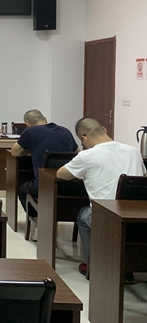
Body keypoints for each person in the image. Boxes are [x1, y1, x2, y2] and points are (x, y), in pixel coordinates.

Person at [57, 117, 145, 277]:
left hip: (106, 217)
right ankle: (128, 268)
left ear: (84, 138)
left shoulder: (87, 156)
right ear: (104, 130)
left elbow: (61, 174)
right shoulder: (133, 151)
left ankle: (93, 264)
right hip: (136, 218)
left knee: (82, 215)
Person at [10, 110, 78, 241]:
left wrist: (30, 150)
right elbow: (76, 153)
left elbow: (15, 152)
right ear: (45, 119)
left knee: (21, 189)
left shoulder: (30, 131)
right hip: (69, 185)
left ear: (27, 124)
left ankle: (38, 222)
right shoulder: (65, 131)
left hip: (43, 187)